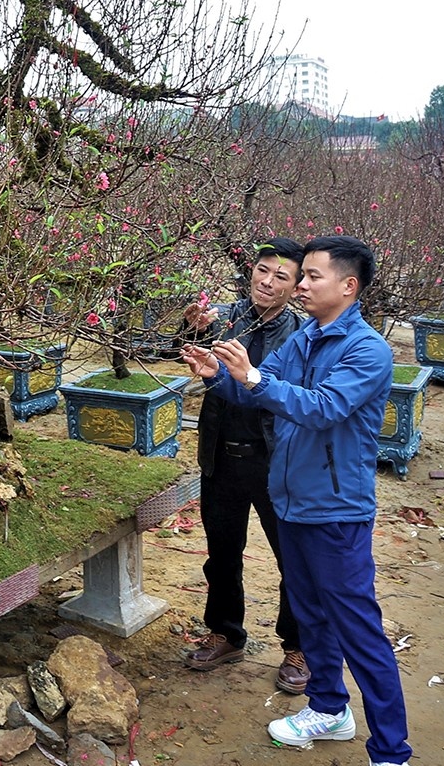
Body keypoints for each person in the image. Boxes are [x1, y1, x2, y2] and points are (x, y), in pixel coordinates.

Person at [183, 235, 411, 766]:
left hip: (335, 509)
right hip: (291, 500)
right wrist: (221, 378)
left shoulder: (367, 350)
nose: (300, 285)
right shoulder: (306, 336)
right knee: (311, 616)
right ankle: (329, 708)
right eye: (300, 276)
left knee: (357, 625)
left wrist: (254, 377)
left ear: (348, 286)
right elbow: (262, 391)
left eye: (312, 277)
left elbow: (322, 408)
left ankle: (391, 749)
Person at [181, 238, 308, 695]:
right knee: (222, 552)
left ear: (297, 287)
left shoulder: (300, 336)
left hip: (275, 462)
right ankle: (226, 633)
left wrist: (244, 370)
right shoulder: (227, 316)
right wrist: (191, 331)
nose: (267, 282)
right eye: (261, 270)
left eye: (281, 276)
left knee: (292, 559)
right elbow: (187, 355)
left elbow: (280, 393)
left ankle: (298, 646)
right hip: (221, 455)